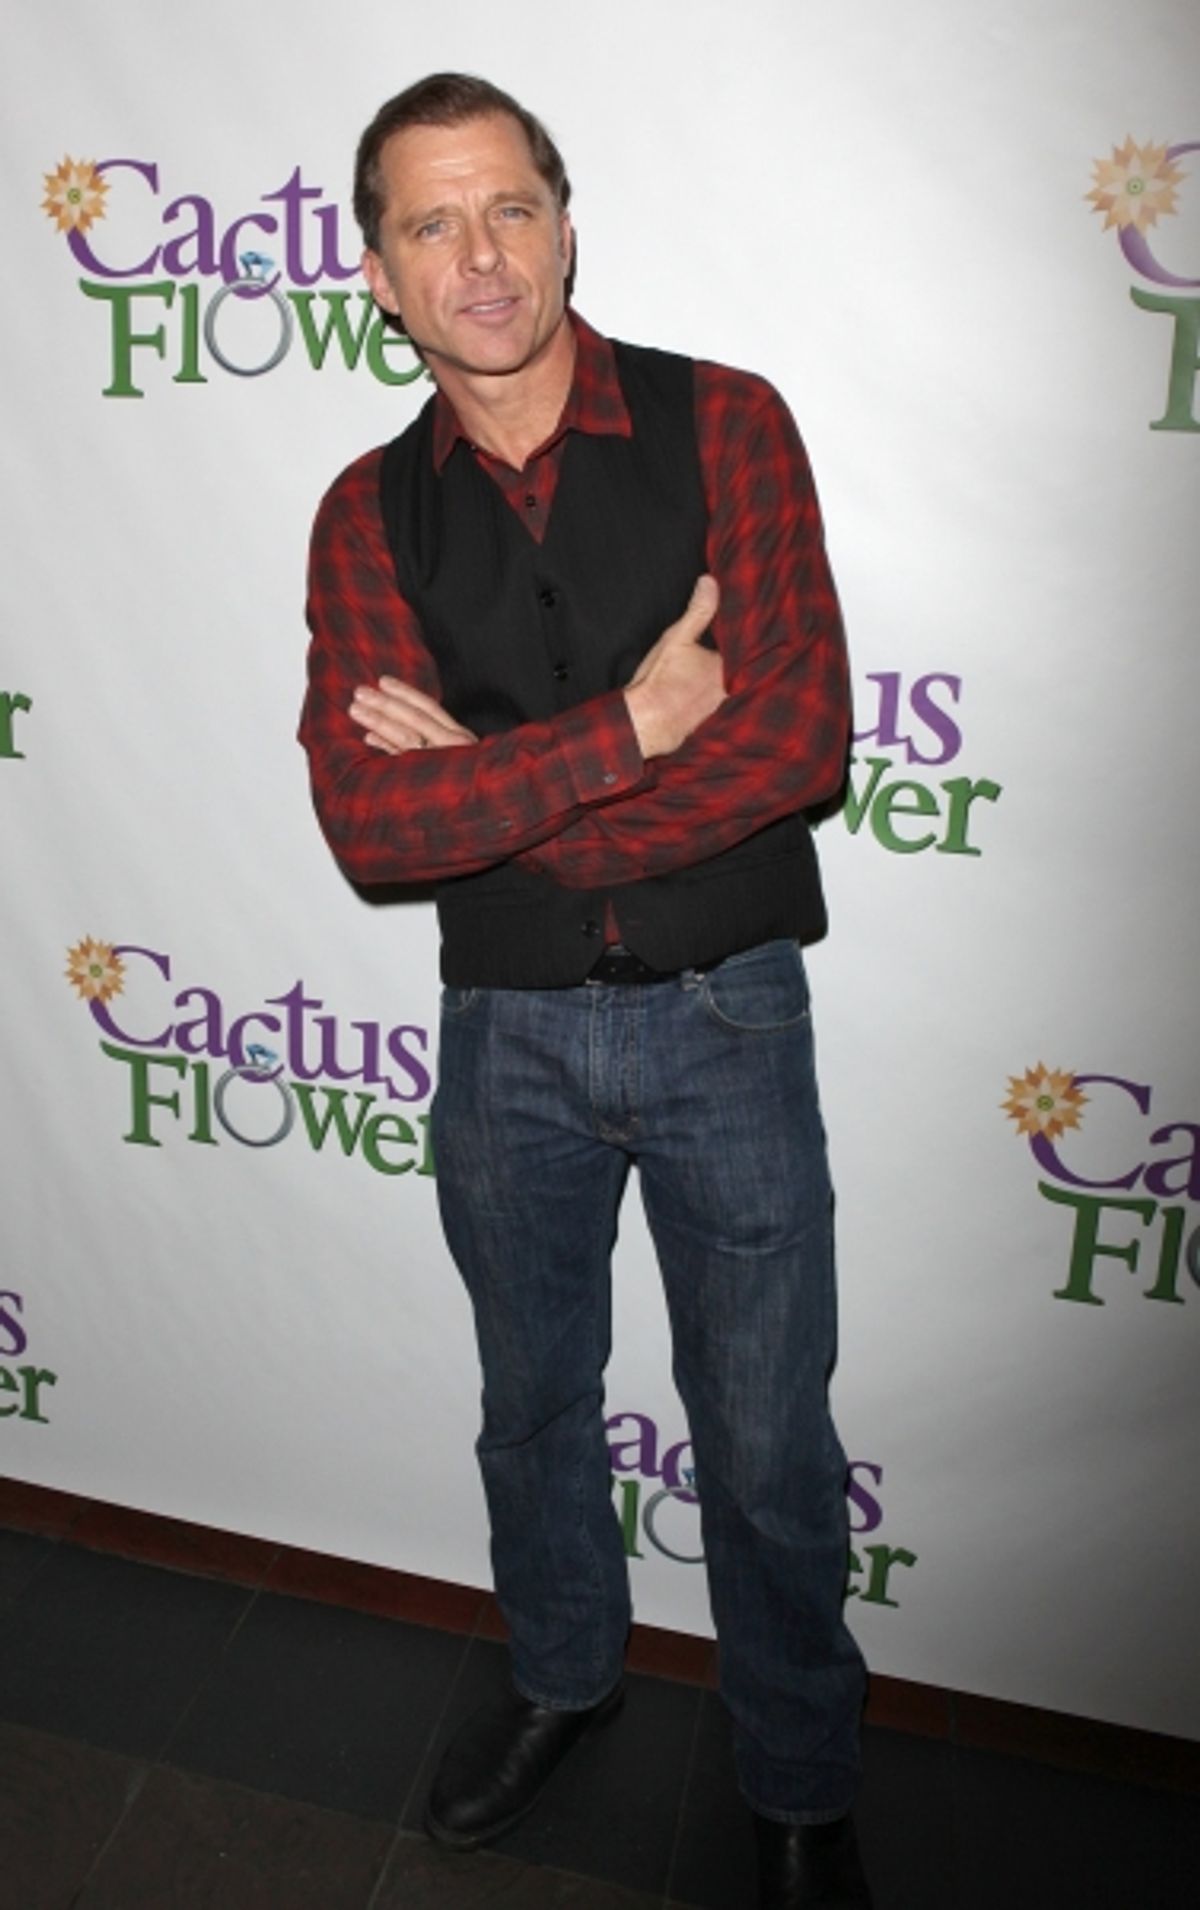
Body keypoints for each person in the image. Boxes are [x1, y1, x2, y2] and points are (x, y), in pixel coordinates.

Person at [300, 72, 871, 1910]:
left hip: (732, 1013)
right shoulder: (361, 515)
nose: (481, 257)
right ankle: (562, 1678)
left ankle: (798, 1776)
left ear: (565, 220)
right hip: (507, 1038)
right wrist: (626, 728)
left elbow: (797, 737)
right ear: (378, 272)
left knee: (772, 1440)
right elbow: (376, 826)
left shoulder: (730, 426)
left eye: (510, 209)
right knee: (536, 1403)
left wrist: (503, 777)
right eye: (431, 224)